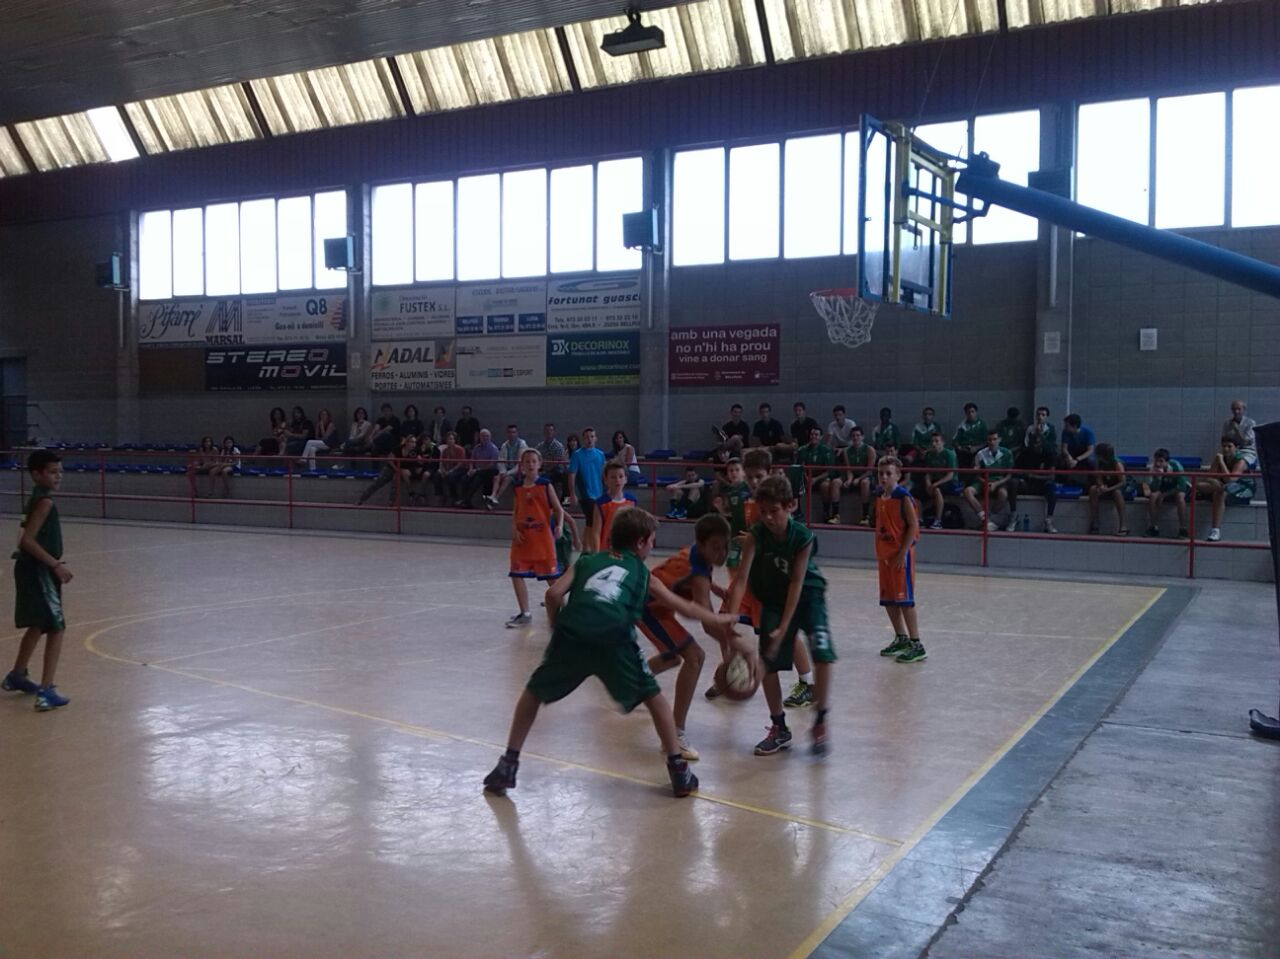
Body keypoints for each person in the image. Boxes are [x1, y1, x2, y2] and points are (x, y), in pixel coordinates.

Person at [482, 508, 739, 799]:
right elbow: (685, 608)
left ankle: (508, 764)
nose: (653, 547)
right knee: (655, 700)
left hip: (573, 634)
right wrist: (719, 620)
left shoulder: (588, 560)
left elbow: (553, 595)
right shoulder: (642, 571)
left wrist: (558, 628)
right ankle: (678, 770)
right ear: (640, 543)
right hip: (614, 637)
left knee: (533, 694)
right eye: (652, 541)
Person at [724, 474, 836, 756]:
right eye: (763, 512)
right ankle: (779, 727)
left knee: (823, 655)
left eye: (774, 511)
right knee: (768, 663)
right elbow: (741, 579)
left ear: (790, 506)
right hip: (772, 599)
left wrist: (784, 628)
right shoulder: (756, 535)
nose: (769, 518)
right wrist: (730, 616)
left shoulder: (803, 537)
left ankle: (820, 720)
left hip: (808, 597)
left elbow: (797, 583)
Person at [641, 513, 752, 762]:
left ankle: (635, 681)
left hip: (656, 606)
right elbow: (707, 622)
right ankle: (676, 734)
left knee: (672, 659)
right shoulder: (699, 569)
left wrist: (714, 589)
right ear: (701, 545)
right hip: (649, 609)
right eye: (715, 548)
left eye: (725, 547)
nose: (722, 553)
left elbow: (688, 576)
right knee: (694, 657)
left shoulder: (698, 556)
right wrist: (740, 645)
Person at [3, 450, 73, 711]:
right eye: (53, 472)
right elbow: (27, 540)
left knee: (39, 623)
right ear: (36, 474)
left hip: (29, 567)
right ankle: (46, 690)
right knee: (56, 627)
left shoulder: (35, 498)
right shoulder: (45, 502)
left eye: (60, 472)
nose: (58, 477)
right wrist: (55, 564)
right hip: (40, 569)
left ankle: (17, 674)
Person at [505, 449, 567, 628]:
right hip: (522, 540)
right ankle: (525, 613)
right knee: (516, 574)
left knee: (552, 579)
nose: (530, 464)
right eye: (527, 461)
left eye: (534, 461)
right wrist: (514, 529)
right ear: (522, 465)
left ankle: (568, 612)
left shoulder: (546, 485)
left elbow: (558, 509)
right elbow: (515, 511)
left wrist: (559, 525)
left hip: (542, 541)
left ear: (539, 464)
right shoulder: (517, 487)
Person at [873, 457, 926, 664]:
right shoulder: (879, 496)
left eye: (888, 473)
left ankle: (917, 643)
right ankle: (901, 637)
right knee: (889, 600)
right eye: (881, 473)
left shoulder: (903, 497)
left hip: (899, 557)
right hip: (884, 556)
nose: (884, 477)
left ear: (898, 475)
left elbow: (913, 526)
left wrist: (903, 552)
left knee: (905, 601)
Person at [1197, 436, 1255, 542]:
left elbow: (1231, 480)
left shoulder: (1241, 461)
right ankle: (1195, 490)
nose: (1226, 449)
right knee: (1200, 485)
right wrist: (1215, 480)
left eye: (1229, 446)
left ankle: (1215, 530)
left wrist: (1221, 462)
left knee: (1220, 493)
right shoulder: (1219, 457)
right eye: (1224, 446)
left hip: (1242, 489)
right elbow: (1209, 477)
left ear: (1236, 448)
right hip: (1223, 485)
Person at [964, 429, 1017, 532]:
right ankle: (985, 519)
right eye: (989, 440)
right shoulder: (980, 454)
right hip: (983, 480)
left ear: (999, 440)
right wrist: (985, 482)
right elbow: (976, 474)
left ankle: (989, 518)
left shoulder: (1007, 453)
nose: (992, 442)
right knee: (967, 491)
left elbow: (1009, 475)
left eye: (994, 439)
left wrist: (996, 484)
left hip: (999, 481)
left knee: (1003, 494)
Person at [1017, 406, 1058, 533]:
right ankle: (1013, 517)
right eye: (1038, 414)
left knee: (1051, 488)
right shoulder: (1026, 452)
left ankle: (1049, 520)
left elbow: (1051, 476)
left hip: (1041, 481)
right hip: (1028, 482)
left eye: (1043, 414)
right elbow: (1020, 471)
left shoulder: (1049, 453)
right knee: (1013, 483)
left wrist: (1035, 476)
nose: (1040, 417)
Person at [568, 427, 608, 551]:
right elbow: (572, 474)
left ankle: (585, 547)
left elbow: (603, 473)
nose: (589, 439)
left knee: (590, 523)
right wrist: (572, 493)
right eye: (587, 437)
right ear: (583, 439)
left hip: (599, 492)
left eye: (592, 436)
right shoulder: (577, 455)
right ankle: (594, 550)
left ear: (595, 438)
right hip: (585, 494)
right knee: (593, 521)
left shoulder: (600, 455)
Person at [795, 425, 838, 525]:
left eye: (816, 435)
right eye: (812, 434)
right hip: (806, 477)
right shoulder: (802, 450)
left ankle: (826, 511)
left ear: (821, 437)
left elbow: (829, 470)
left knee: (825, 485)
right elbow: (799, 467)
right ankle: (797, 512)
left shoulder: (826, 450)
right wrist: (806, 477)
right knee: (795, 482)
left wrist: (815, 479)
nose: (814, 436)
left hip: (821, 477)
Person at [357, 434, 417, 506]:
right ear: (407, 442)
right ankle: (361, 499)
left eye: (415, 442)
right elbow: (389, 459)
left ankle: (391, 502)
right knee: (378, 483)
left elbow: (415, 462)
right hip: (391, 467)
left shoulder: (414, 452)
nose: (413, 444)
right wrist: (396, 468)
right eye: (412, 442)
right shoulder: (398, 449)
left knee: (395, 482)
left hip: (402, 470)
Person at [916, 431, 959, 530]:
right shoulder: (930, 455)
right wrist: (928, 484)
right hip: (934, 481)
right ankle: (920, 519)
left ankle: (938, 521)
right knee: (916, 494)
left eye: (937, 441)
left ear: (942, 442)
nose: (934, 444)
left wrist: (935, 484)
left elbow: (950, 475)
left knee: (937, 490)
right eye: (932, 441)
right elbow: (928, 473)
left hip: (949, 482)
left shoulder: (949, 454)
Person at [1144, 447, 1189, 539]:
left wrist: (1164, 495)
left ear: (1167, 462)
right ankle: (1154, 527)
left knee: (1180, 497)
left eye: (1161, 461)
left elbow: (1181, 486)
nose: (1158, 464)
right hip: (1164, 489)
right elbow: (1153, 488)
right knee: (1152, 496)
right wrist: (1158, 477)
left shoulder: (1176, 466)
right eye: (1156, 461)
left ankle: (1183, 529)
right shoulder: (1153, 468)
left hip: (1177, 488)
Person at [1086, 443, 1129, 535]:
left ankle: (1123, 526)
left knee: (1117, 493)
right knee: (1093, 489)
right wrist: (1101, 485)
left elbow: (1123, 482)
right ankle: (1095, 522)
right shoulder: (1099, 463)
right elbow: (1098, 477)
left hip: (1119, 487)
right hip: (1107, 485)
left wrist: (1109, 489)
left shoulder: (1117, 464)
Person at [838, 425, 877, 526]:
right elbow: (849, 469)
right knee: (836, 482)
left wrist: (859, 479)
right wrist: (850, 479)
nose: (855, 438)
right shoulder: (846, 451)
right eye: (853, 436)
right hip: (853, 476)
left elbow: (870, 470)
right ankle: (834, 514)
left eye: (858, 435)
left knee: (865, 483)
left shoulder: (869, 450)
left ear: (862, 437)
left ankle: (865, 515)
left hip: (867, 477)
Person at [596, 462, 638, 550]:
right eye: (613, 477)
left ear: (626, 479)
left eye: (621, 476)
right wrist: (597, 554)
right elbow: (596, 533)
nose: (617, 480)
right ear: (606, 480)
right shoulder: (601, 504)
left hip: (626, 549)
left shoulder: (631, 501)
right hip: (606, 549)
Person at [485, 424, 529, 509]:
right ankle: (493, 496)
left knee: (507, 479)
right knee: (497, 477)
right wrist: (503, 472)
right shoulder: (505, 445)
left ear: (517, 433)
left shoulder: (522, 444)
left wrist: (508, 473)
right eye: (509, 432)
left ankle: (496, 498)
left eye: (513, 432)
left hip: (519, 471)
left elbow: (520, 463)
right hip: (507, 469)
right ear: (507, 434)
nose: (511, 434)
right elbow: (501, 460)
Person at [461, 428, 501, 508]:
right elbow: (472, 460)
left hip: (488, 471)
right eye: (482, 436)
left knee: (477, 479)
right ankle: (464, 499)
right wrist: (470, 469)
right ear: (480, 437)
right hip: (476, 470)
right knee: (464, 479)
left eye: (486, 436)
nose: (484, 438)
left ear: (490, 437)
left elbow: (492, 464)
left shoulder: (494, 449)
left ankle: (467, 500)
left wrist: (477, 470)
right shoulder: (477, 448)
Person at [536, 423, 568, 502]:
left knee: (543, 479)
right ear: (544, 432)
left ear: (554, 432)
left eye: (551, 430)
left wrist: (543, 472)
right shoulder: (540, 446)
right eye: (547, 430)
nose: (549, 432)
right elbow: (536, 458)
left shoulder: (558, 446)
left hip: (556, 471)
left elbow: (555, 463)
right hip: (543, 470)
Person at [951, 403, 986, 470]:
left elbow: (986, 441)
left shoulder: (982, 425)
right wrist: (960, 448)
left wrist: (976, 448)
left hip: (978, 449)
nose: (971, 414)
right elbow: (955, 441)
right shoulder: (962, 425)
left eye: (972, 412)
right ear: (966, 413)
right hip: (964, 450)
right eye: (968, 412)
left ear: (976, 412)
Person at [1222, 400, 1258, 466]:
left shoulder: (1250, 423)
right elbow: (1224, 440)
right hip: (1231, 451)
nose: (1236, 412)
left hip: (1247, 452)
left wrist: (1237, 430)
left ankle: (1233, 476)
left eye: (1239, 409)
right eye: (1234, 409)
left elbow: (1246, 442)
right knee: (1219, 459)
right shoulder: (1227, 423)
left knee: (1240, 462)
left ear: (1244, 410)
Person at [439, 431, 469, 505]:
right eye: (448, 439)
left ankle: (455, 497)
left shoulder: (460, 449)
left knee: (451, 477)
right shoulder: (445, 450)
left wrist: (450, 471)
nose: (449, 441)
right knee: (437, 475)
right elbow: (442, 462)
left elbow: (460, 463)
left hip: (461, 469)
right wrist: (443, 471)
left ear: (454, 440)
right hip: (448, 469)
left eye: (451, 439)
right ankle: (441, 495)